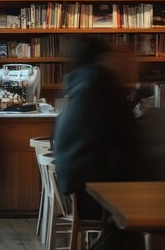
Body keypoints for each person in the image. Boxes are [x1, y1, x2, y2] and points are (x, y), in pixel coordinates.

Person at [52, 36, 139, 220]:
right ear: (103, 59)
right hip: (94, 196)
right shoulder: (101, 87)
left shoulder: (82, 85)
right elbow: (130, 140)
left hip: (75, 191)